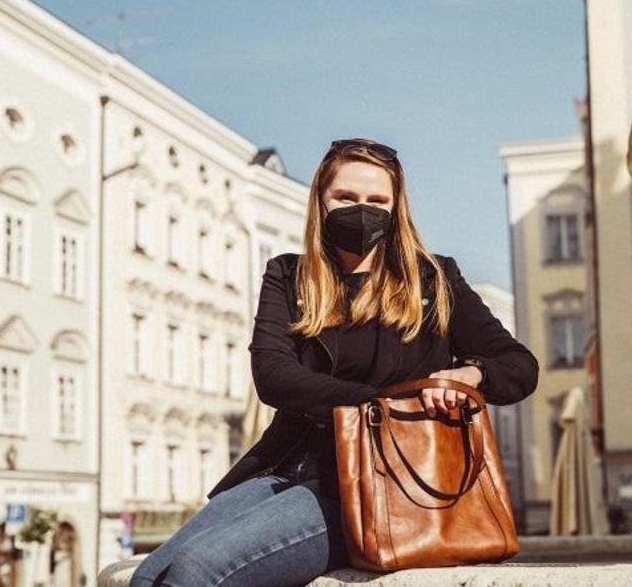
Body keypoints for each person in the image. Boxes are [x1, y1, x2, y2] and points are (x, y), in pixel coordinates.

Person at [128, 138, 539, 587]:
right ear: (321, 203)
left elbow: (519, 366)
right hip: (289, 465)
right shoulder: (289, 276)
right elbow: (273, 376)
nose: (362, 210)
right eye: (346, 197)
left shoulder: (434, 280)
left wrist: (470, 374)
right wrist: (383, 403)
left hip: (382, 481)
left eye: (377, 200)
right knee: (149, 575)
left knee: (198, 571)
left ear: (396, 208)